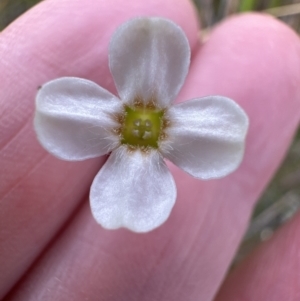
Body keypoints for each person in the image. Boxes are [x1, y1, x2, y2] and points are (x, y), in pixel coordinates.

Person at [0, 0, 299, 300]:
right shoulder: (145, 59)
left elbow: (225, 136)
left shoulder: (156, 59)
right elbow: (55, 113)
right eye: (140, 126)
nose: (142, 128)